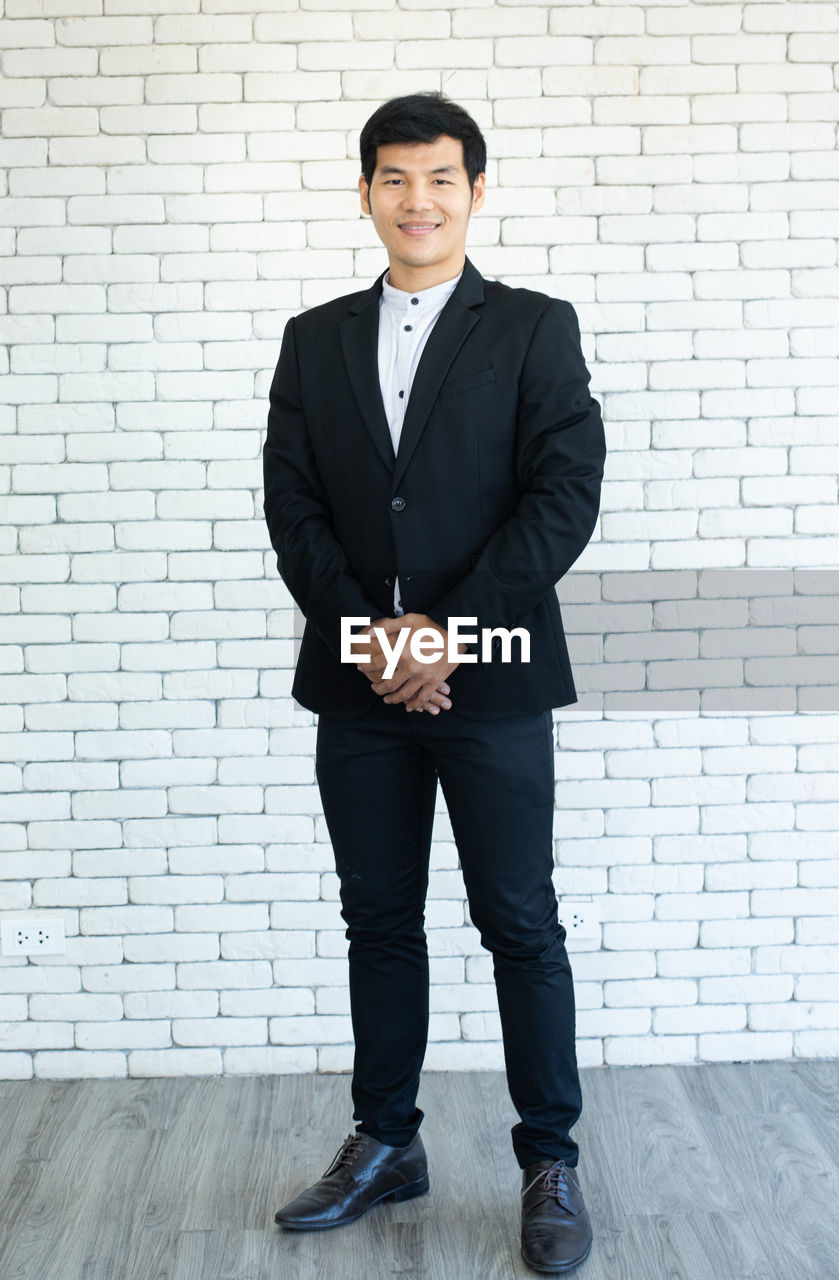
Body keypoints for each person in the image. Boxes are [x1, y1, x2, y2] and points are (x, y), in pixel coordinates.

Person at [263, 91, 606, 1275]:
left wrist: (445, 632)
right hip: (358, 678)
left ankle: (548, 1157)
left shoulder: (532, 327)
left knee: (518, 919)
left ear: (472, 191)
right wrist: (374, 635)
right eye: (395, 179)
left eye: (441, 178)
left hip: (494, 675)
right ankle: (384, 1141)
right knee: (378, 918)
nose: (418, 200)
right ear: (364, 192)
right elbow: (292, 506)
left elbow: (562, 496)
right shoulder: (312, 338)